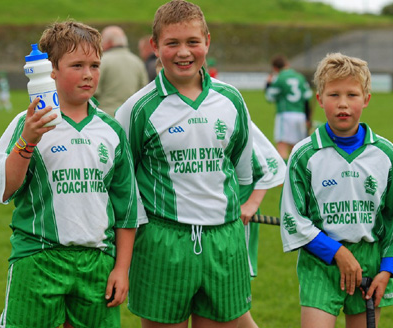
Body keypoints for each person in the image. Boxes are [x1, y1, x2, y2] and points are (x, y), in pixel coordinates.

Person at [0, 20, 138, 328]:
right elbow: (2, 190)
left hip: (97, 262)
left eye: (95, 65)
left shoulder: (111, 131)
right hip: (38, 258)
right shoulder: (28, 123)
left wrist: (121, 269)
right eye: (77, 65)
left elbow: (127, 210)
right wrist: (27, 142)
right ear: (50, 70)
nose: (88, 74)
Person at [115, 1, 254, 327]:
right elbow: (123, 186)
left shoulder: (231, 100)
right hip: (164, 243)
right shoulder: (137, 109)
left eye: (193, 42)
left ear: (207, 40)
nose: (183, 52)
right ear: (154, 47)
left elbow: (240, 169)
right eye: (172, 43)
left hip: (224, 242)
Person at [279, 52, 393, 328]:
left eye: (352, 95)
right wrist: (337, 252)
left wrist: (387, 270)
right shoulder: (304, 154)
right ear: (319, 99)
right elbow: (294, 219)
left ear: (366, 99)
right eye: (333, 95)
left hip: (370, 264)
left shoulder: (385, 152)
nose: (343, 104)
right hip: (320, 262)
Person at [238, 122, 286, 328]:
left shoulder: (227, 102)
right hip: (181, 230)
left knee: (232, 308)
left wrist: (251, 204)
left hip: (233, 227)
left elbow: (272, 164)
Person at [265, 54, 313, 162]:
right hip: (300, 115)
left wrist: (268, 84)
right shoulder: (300, 77)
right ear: (287, 64)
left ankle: (285, 175)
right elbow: (307, 98)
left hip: (285, 115)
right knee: (297, 148)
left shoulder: (279, 77)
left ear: (275, 68)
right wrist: (308, 118)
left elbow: (269, 97)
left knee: (282, 145)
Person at [94, 25, 148, 116]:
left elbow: (93, 91)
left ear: (109, 42)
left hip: (105, 117)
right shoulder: (137, 62)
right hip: (129, 117)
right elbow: (144, 91)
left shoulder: (101, 61)